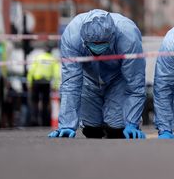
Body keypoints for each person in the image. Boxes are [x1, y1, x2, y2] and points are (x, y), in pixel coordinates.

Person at [48, 9, 146, 139]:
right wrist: (66, 125)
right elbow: (71, 83)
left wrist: (132, 122)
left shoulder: (128, 37)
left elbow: (135, 84)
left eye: (102, 44)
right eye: (93, 45)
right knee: (91, 130)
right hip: (90, 78)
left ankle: (123, 124)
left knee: (117, 131)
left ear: (112, 37)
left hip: (119, 79)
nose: (97, 48)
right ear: (84, 39)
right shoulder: (72, 36)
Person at [27, 48, 60, 126]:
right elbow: (56, 74)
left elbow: (31, 70)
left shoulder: (38, 57)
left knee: (34, 102)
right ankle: (45, 121)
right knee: (45, 103)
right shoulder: (52, 59)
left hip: (36, 82)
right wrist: (55, 85)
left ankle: (34, 120)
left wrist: (29, 82)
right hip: (46, 83)